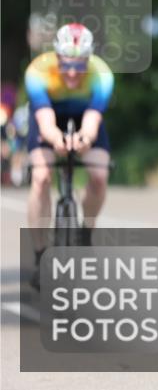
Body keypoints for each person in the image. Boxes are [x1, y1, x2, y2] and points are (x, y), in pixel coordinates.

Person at [24, 23, 114, 277]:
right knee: (41, 177)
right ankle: (40, 253)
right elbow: (45, 122)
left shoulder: (102, 75)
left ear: (89, 58)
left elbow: (92, 122)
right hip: (49, 117)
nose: (72, 73)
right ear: (56, 56)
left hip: (84, 117)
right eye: (66, 64)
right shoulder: (38, 71)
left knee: (99, 175)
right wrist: (57, 140)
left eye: (80, 65)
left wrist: (84, 139)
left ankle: (85, 232)